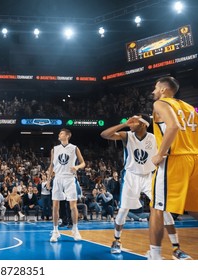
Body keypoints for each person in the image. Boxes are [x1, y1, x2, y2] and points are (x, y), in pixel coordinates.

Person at [101, 113, 191, 259]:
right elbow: (105, 135)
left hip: (150, 176)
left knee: (164, 211)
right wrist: (124, 124)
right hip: (131, 177)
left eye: (134, 121)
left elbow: (167, 151)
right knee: (123, 210)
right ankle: (116, 241)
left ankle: (176, 248)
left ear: (143, 124)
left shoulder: (155, 138)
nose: (130, 123)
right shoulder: (127, 135)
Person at [149, 76, 198, 260]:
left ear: (163, 89)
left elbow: (173, 126)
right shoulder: (188, 107)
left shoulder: (161, 104)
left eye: (155, 87)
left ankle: (155, 257)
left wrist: (160, 153)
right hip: (194, 158)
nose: (154, 91)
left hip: (175, 159)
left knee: (156, 208)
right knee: (194, 209)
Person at [47, 128, 85, 242]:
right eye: (59, 133)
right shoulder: (54, 149)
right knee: (55, 206)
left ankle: (75, 229)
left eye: (61, 133)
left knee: (73, 206)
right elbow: (51, 166)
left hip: (69, 178)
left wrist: (77, 167)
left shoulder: (74, 148)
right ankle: (55, 231)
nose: (59, 135)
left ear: (67, 136)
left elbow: (83, 163)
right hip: (58, 177)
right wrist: (49, 180)